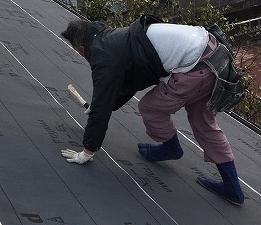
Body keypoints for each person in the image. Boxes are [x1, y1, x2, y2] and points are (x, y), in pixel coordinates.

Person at [59, 16, 245, 205]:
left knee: (150, 108)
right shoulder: (115, 37)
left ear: (80, 48)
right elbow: (131, 82)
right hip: (215, 57)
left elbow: (107, 98)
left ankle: (171, 148)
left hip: (196, 69)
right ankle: (233, 189)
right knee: (204, 123)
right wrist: (103, 104)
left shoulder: (104, 56)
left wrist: (88, 150)